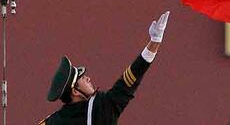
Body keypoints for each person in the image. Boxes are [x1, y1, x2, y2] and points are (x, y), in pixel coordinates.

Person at [39, 11, 170, 125]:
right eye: (82, 78)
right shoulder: (99, 109)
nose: (88, 78)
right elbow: (128, 82)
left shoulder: (53, 121)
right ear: (75, 92)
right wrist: (155, 42)